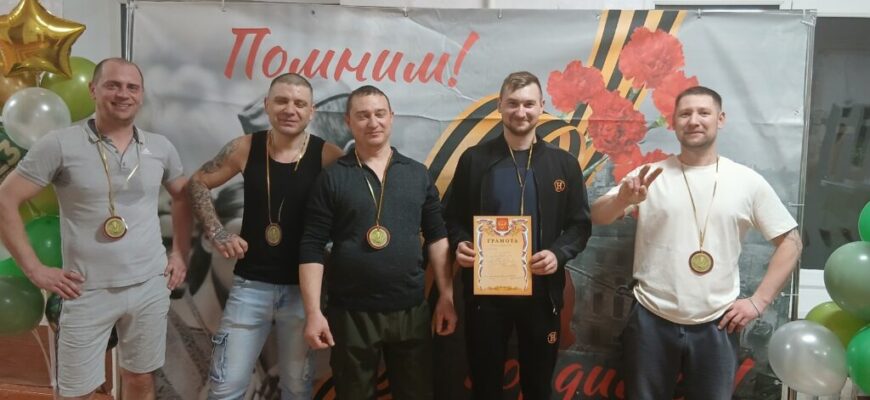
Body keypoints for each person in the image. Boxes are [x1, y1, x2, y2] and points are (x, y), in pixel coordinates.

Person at [590, 86, 802, 399]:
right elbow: (598, 215)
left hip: (718, 324)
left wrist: (759, 301)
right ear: (673, 122)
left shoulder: (746, 181)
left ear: (720, 119)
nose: (694, 120)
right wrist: (622, 199)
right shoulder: (649, 175)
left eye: (703, 112)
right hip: (651, 318)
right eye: (685, 114)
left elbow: (792, 242)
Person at [0, 57, 192, 400]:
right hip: (85, 290)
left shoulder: (160, 147)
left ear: (141, 95)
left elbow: (182, 196)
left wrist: (180, 252)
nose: (123, 94)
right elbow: (5, 199)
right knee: (77, 392)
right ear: (93, 90)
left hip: (150, 284)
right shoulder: (60, 144)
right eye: (112, 85)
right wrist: (34, 270)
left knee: (140, 378)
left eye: (132, 87)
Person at [187, 72, 343, 399]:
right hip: (250, 286)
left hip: (303, 292)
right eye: (281, 101)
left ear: (311, 111)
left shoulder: (328, 155)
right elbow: (199, 182)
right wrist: (217, 231)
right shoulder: (245, 147)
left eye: (299, 103)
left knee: (297, 388)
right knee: (226, 387)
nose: (290, 109)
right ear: (267, 104)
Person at [299, 85, 457, 400]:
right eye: (363, 115)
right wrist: (313, 312)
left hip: (411, 309)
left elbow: (437, 237)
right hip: (350, 312)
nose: (373, 122)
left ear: (391, 117)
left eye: (379, 114)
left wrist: (446, 296)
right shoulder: (332, 177)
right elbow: (312, 246)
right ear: (348, 122)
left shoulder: (417, 174)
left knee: (416, 395)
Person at [442, 71, 592, 399]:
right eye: (512, 104)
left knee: (538, 386)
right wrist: (460, 243)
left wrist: (558, 254)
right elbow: (451, 218)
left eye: (528, 104)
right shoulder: (474, 160)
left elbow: (580, 225)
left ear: (542, 106)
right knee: (485, 386)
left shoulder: (564, 164)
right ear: (499, 105)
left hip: (542, 294)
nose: (520, 112)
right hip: (485, 296)